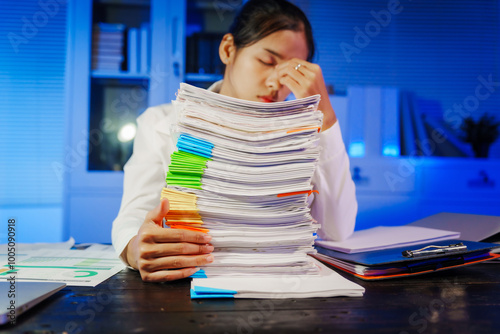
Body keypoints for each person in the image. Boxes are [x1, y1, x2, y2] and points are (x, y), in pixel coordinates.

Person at [112, 0, 357, 282]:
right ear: (229, 49)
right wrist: (134, 250)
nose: (275, 84)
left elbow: (338, 229)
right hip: (190, 284)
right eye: (266, 62)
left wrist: (324, 117)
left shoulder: (301, 136)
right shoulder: (162, 123)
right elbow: (134, 215)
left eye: (292, 73)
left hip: (281, 287)